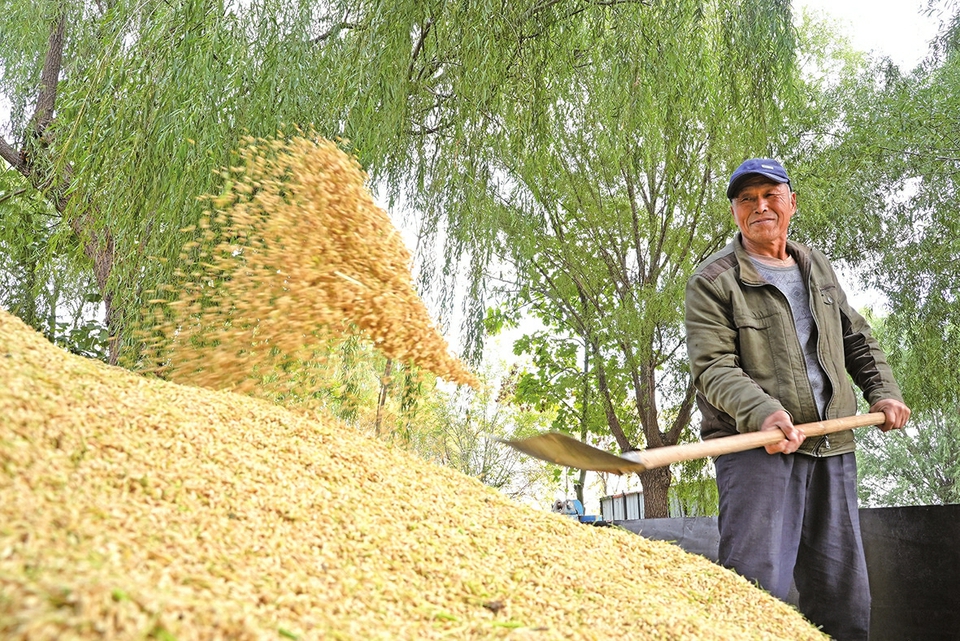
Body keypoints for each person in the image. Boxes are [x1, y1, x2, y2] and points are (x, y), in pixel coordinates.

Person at [684, 158, 911, 641]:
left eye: (771, 195)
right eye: (747, 198)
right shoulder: (713, 280)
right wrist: (762, 413)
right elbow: (713, 368)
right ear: (735, 212)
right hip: (755, 453)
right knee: (753, 594)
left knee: (843, 598)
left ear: (792, 203)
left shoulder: (816, 266)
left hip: (833, 448)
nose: (760, 206)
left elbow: (858, 340)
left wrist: (883, 393)